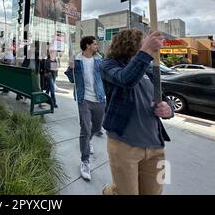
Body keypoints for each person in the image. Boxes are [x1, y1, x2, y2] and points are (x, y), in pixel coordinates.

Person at [100, 29, 174, 195]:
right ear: (131, 43)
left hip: (156, 146)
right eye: (144, 41)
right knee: (126, 192)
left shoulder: (148, 70)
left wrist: (168, 109)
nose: (147, 43)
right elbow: (126, 80)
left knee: (155, 192)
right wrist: (146, 51)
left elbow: (163, 98)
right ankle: (109, 191)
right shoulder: (108, 65)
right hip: (124, 145)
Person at [71, 36, 106, 181]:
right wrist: (69, 69)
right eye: (95, 44)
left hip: (99, 98)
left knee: (97, 127)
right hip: (84, 99)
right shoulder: (77, 60)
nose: (97, 46)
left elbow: (105, 77)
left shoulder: (100, 60)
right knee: (85, 129)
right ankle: (85, 161)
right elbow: (72, 79)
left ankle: (89, 140)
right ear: (87, 45)